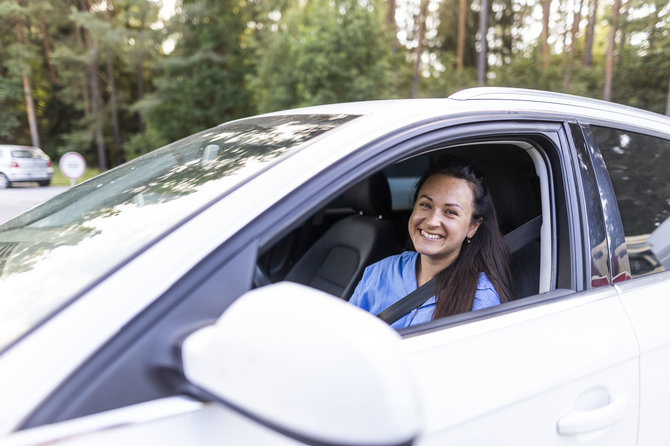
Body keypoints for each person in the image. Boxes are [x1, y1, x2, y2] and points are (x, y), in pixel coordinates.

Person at [349, 157, 513, 329]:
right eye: (426, 205)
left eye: (450, 212)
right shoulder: (380, 272)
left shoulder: (480, 298)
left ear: (472, 227)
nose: (432, 221)